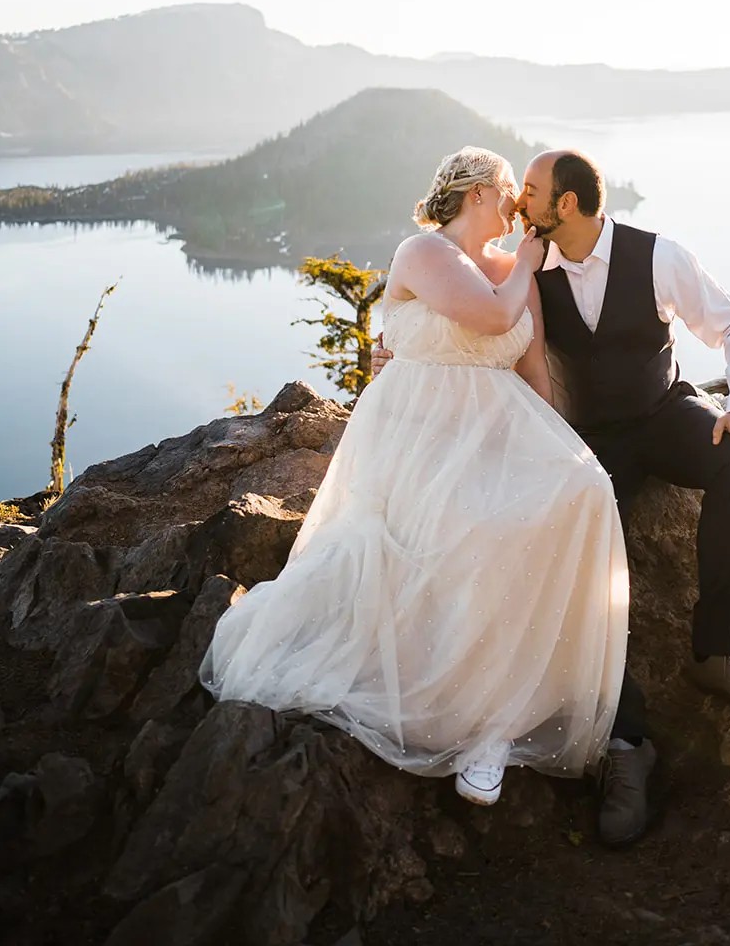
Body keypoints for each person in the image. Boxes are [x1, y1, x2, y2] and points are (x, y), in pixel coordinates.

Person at [374, 147, 730, 847]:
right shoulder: (522, 269)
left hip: (662, 412)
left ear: (565, 205)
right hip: (589, 440)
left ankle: (719, 653)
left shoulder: (658, 257)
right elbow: (500, 354)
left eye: (529, 192)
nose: (518, 206)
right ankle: (627, 745)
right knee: (588, 541)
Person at [200, 147, 628, 810]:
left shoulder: (515, 272)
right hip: (416, 441)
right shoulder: (425, 254)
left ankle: (499, 723)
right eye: (511, 189)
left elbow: (533, 364)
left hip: (493, 436)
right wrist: (525, 263)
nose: (519, 204)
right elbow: (489, 317)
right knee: (467, 529)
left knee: (585, 490)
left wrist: (562, 448)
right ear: (479, 192)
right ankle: (459, 720)